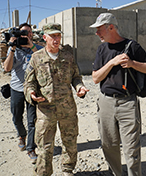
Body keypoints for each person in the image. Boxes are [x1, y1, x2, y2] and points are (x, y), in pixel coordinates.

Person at [90, 13, 146, 176]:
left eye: (99, 30)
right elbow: (95, 78)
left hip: (128, 103)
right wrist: (111, 63)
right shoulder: (102, 49)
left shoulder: (132, 46)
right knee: (109, 145)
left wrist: (132, 63)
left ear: (111, 27)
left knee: (131, 147)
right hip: (105, 102)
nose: (97, 33)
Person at [23, 23, 89, 176]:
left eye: (58, 35)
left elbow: (76, 77)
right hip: (46, 111)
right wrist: (32, 93)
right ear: (44, 37)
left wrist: (80, 87)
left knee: (70, 142)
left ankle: (68, 170)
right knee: (45, 146)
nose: (56, 39)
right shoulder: (36, 58)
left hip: (67, 109)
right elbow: (29, 82)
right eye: (52, 36)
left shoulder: (68, 56)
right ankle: (43, 173)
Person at [3, 23, 43, 164]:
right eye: (24, 32)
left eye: (29, 32)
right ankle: (22, 136)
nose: (27, 34)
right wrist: (12, 48)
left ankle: (31, 148)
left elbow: (45, 59)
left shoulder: (37, 48)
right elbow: (7, 68)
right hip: (16, 89)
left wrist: (31, 46)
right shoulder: (13, 48)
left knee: (32, 121)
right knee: (16, 117)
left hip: (32, 90)